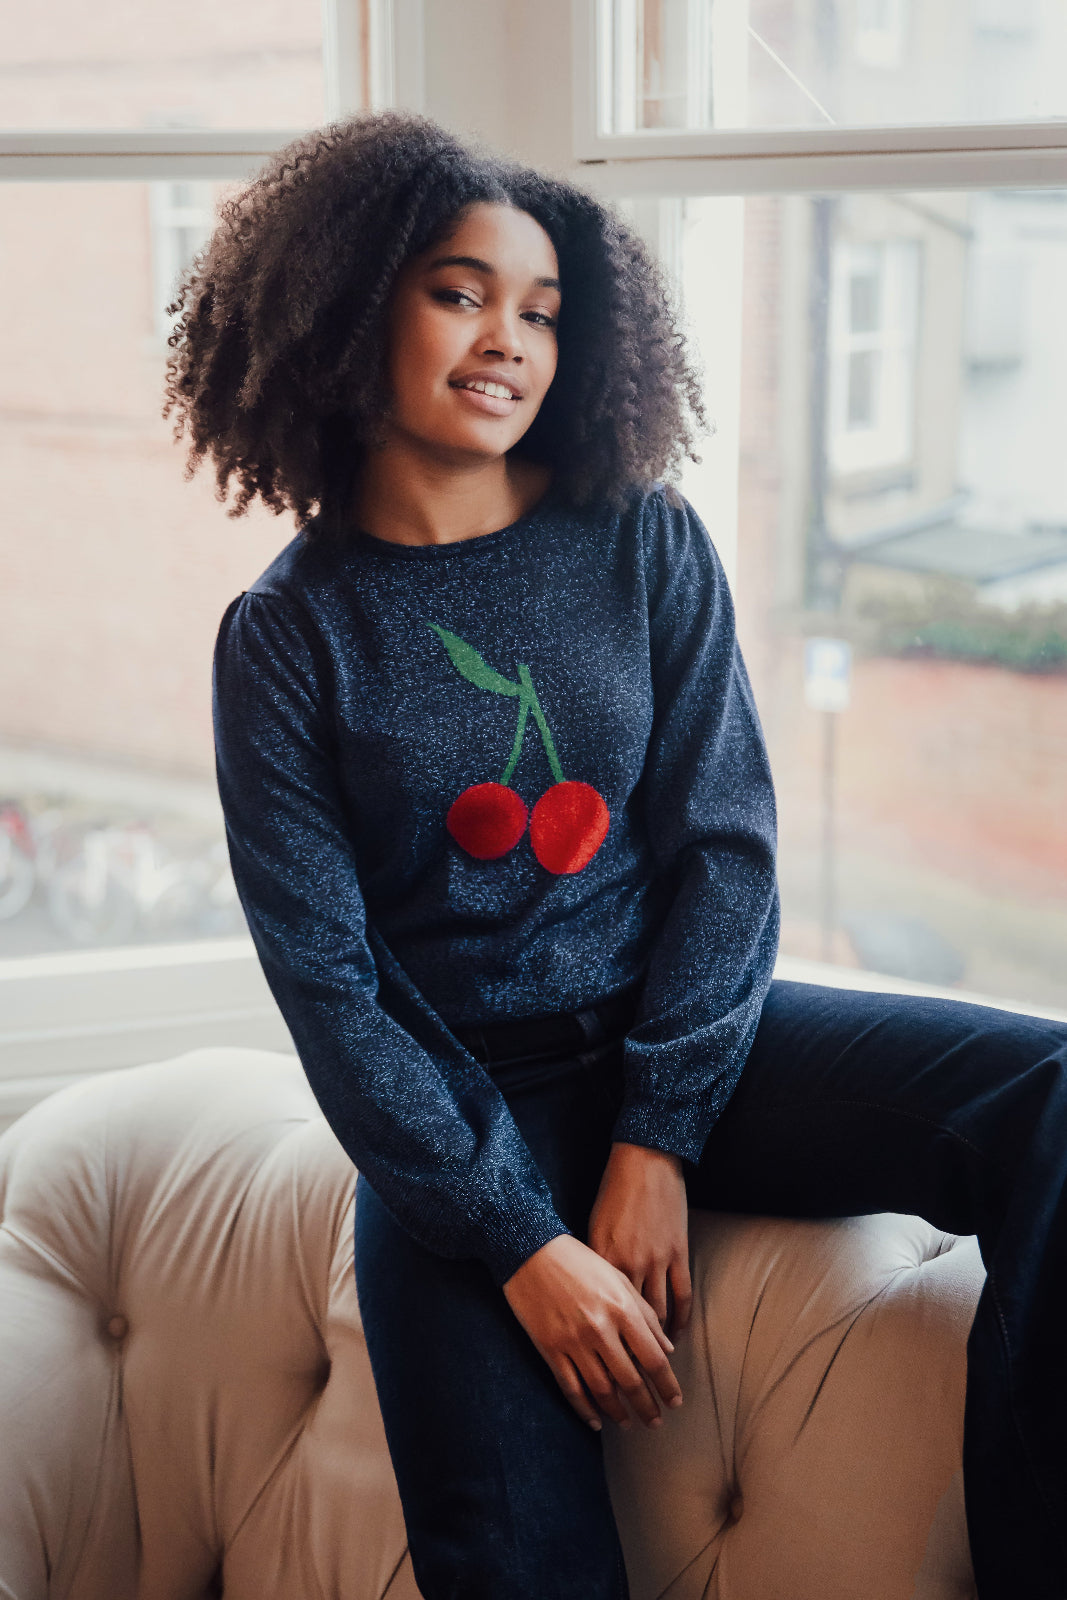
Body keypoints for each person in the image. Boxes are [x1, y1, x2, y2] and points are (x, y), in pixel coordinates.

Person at [165, 109, 1067, 1599]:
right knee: (511, 1565)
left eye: (542, 312)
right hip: (461, 1119)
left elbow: (724, 845)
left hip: (683, 1037)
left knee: (1048, 1097)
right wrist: (520, 1236)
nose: (507, 339)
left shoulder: (642, 539)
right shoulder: (286, 638)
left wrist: (659, 1129)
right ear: (342, 307)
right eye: (460, 292)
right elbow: (331, 991)